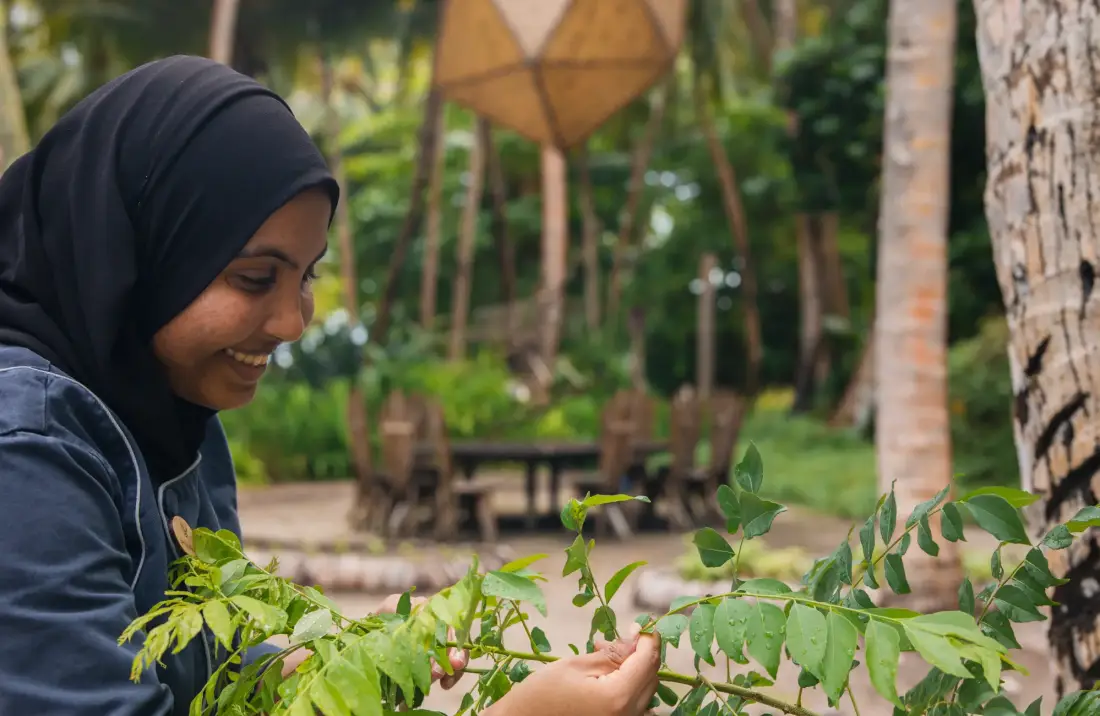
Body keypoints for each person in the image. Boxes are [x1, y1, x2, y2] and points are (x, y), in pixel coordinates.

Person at [0, 55, 660, 715]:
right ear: (143, 253)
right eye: (255, 278)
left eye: (307, 275)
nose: (293, 323)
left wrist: (356, 662)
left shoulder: (174, 417)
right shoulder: (28, 450)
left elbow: (208, 684)